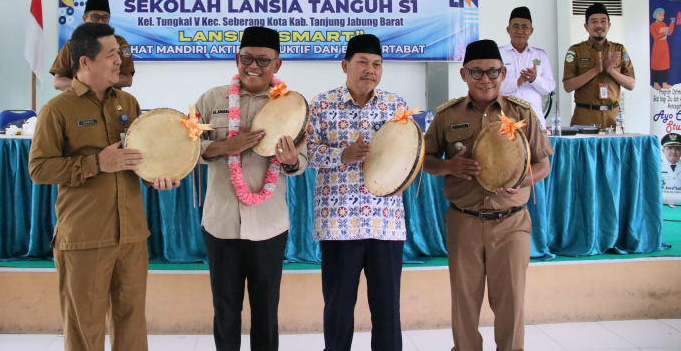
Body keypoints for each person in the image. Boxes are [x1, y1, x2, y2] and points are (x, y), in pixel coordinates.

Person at [29, 22, 179, 351]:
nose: (119, 62)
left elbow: (141, 158)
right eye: (111, 55)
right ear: (85, 62)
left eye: (119, 54)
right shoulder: (57, 110)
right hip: (85, 237)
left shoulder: (128, 102)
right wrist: (97, 163)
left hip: (132, 236)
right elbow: (39, 169)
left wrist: (160, 176)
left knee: (132, 323)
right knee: (86, 327)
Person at [423, 39, 553, 351]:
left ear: (503, 73)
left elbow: (543, 164)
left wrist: (520, 180)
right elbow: (424, 161)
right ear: (464, 75)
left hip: (511, 223)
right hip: (464, 222)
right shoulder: (447, 116)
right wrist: (449, 167)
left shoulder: (523, 115)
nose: (486, 79)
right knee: (464, 306)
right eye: (477, 73)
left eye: (493, 72)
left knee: (510, 305)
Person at [194, 26, 308, 351]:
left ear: (278, 65)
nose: (253, 66)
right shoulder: (212, 99)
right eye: (246, 58)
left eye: (263, 60)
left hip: (269, 227)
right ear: (237, 58)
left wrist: (289, 162)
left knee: (265, 315)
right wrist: (223, 147)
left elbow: (302, 161)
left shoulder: (291, 105)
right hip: (221, 225)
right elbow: (189, 143)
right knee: (226, 312)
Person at [306, 34, 410, 351]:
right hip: (339, 224)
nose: (370, 70)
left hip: (385, 223)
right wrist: (342, 155)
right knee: (338, 309)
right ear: (345, 65)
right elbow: (306, 153)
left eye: (376, 64)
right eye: (362, 62)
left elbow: (410, 153)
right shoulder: (321, 105)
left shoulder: (397, 107)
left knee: (388, 311)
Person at [562, 3, 635, 129]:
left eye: (603, 21)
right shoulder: (576, 51)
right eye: (594, 21)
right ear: (586, 26)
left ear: (609, 25)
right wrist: (595, 70)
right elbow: (568, 86)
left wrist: (612, 71)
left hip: (613, 117)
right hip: (585, 116)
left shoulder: (619, 49)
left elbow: (631, 84)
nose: (599, 25)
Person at [51, 0, 134, 91]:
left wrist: (94, 82)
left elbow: (127, 80)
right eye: (95, 17)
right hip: (78, 100)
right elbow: (58, 81)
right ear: (84, 18)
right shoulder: (71, 45)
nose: (100, 21)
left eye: (105, 17)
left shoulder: (119, 43)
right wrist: (86, 86)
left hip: (111, 101)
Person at [499, 6, 555, 131]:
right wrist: (517, 82)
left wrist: (535, 79)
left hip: (534, 118)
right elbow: (493, 86)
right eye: (516, 26)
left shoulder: (540, 55)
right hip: (506, 119)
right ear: (508, 30)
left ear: (531, 31)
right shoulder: (498, 54)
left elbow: (549, 87)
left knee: (536, 151)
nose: (520, 31)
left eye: (525, 27)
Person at [650, 8, 679, 90]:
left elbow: (669, 32)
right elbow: (655, 37)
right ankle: (656, 84)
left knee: (665, 66)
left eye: (663, 14)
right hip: (657, 48)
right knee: (656, 66)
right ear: (655, 15)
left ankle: (664, 84)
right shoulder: (653, 25)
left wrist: (672, 24)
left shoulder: (663, 24)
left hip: (664, 47)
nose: (662, 16)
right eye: (660, 14)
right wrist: (663, 33)